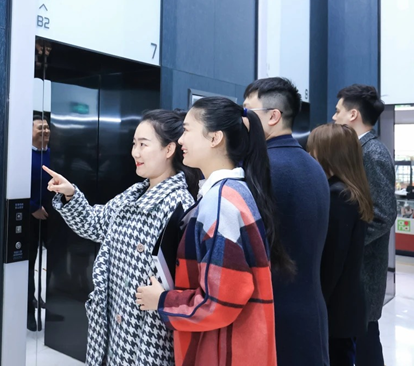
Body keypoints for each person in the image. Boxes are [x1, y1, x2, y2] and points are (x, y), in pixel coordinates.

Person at [136, 97, 292, 366]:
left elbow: (219, 303)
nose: (181, 140)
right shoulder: (231, 192)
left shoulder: (221, 203)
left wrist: (162, 301)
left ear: (215, 138)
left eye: (187, 130)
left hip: (223, 350)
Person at [44, 110, 200, 366]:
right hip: (113, 323)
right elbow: (95, 224)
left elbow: (180, 285)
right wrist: (71, 194)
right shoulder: (134, 194)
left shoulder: (179, 206)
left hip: (146, 336)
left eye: (143, 144)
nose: (135, 153)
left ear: (169, 149)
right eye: (134, 144)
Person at [243, 77, 330, 365]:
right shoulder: (314, 166)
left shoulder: (262, 170)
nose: (242, 121)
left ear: (273, 117)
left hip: (275, 315)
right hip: (311, 313)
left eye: (247, 112)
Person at [333, 84, 397, 366]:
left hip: (365, 269)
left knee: (366, 338)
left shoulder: (372, 153)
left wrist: (348, 243)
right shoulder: (358, 150)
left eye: (338, 111)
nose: (334, 117)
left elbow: (383, 214)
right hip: (357, 268)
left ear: (353, 114)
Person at [307, 123, 374, 366]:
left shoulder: (338, 196)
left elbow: (332, 260)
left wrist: (314, 304)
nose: (310, 155)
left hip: (336, 310)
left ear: (329, 153)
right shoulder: (352, 191)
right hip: (346, 305)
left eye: (314, 149)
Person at [27, 114, 51, 332]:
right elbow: (17, 185)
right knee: (29, 264)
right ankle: (29, 308)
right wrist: (33, 207)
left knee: (53, 261)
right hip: (30, 218)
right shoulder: (25, 156)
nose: (45, 131)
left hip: (53, 218)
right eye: (40, 128)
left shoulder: (53, 155)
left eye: (47, 127)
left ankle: (48, 299)